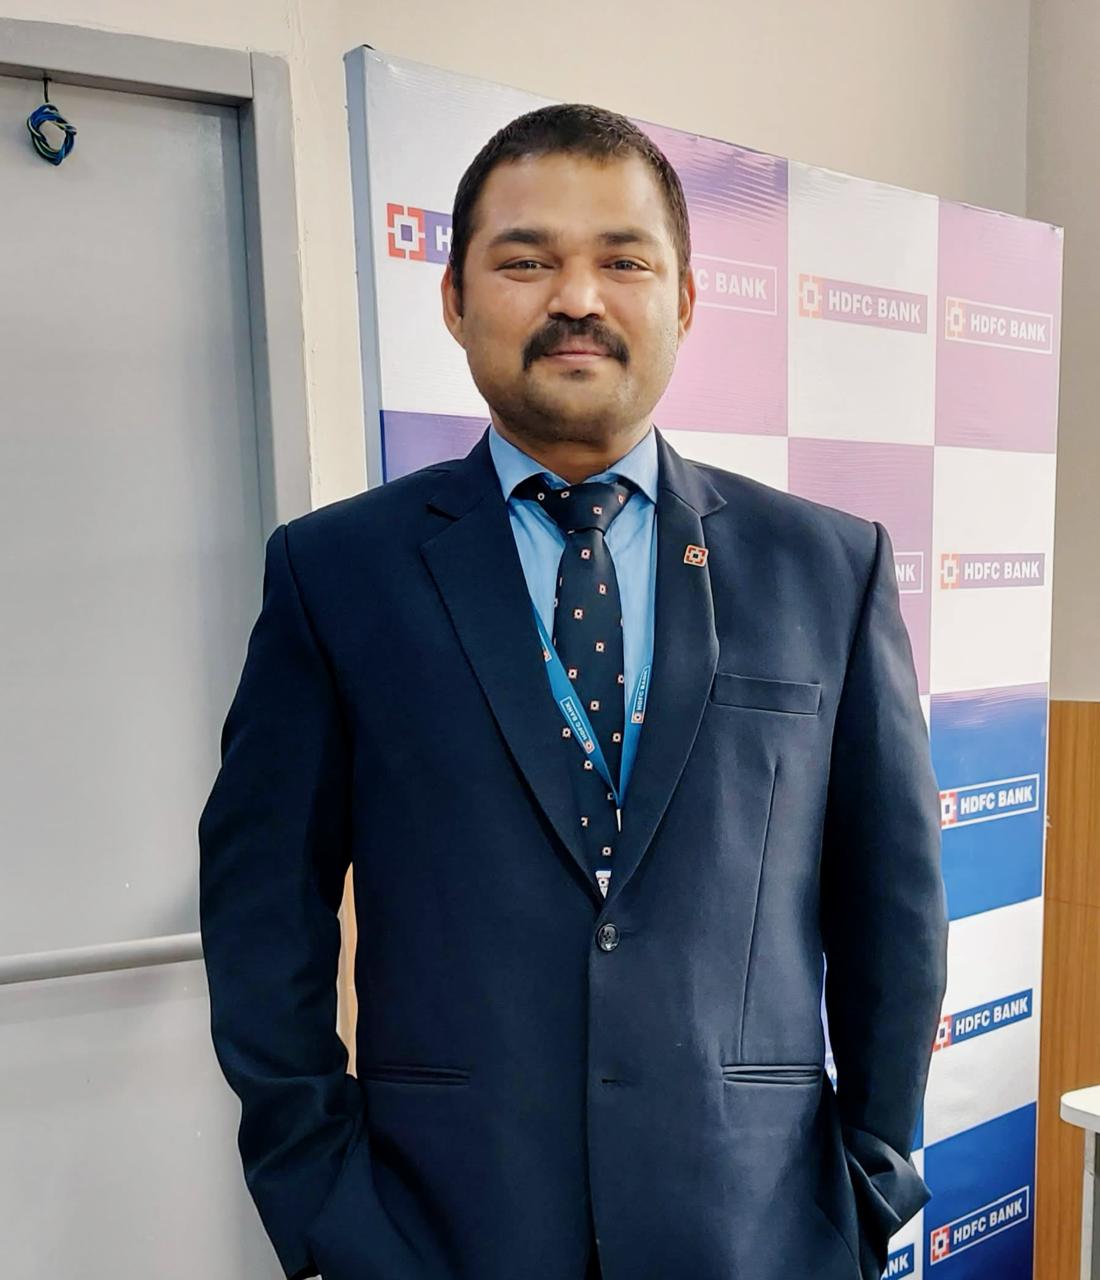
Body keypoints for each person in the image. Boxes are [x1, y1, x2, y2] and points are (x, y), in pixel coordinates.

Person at [198, 102, 948, 1280]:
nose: (577, 298)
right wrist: (321, 1199)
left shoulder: (825, 565)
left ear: (684, 300)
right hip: (439, 1231)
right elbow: (261, 910)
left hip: (757, 1231)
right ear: (453, 299)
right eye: (525, 261)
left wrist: (870, 1176)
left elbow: (891, 910)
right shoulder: (335, 572)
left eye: (622, 261)